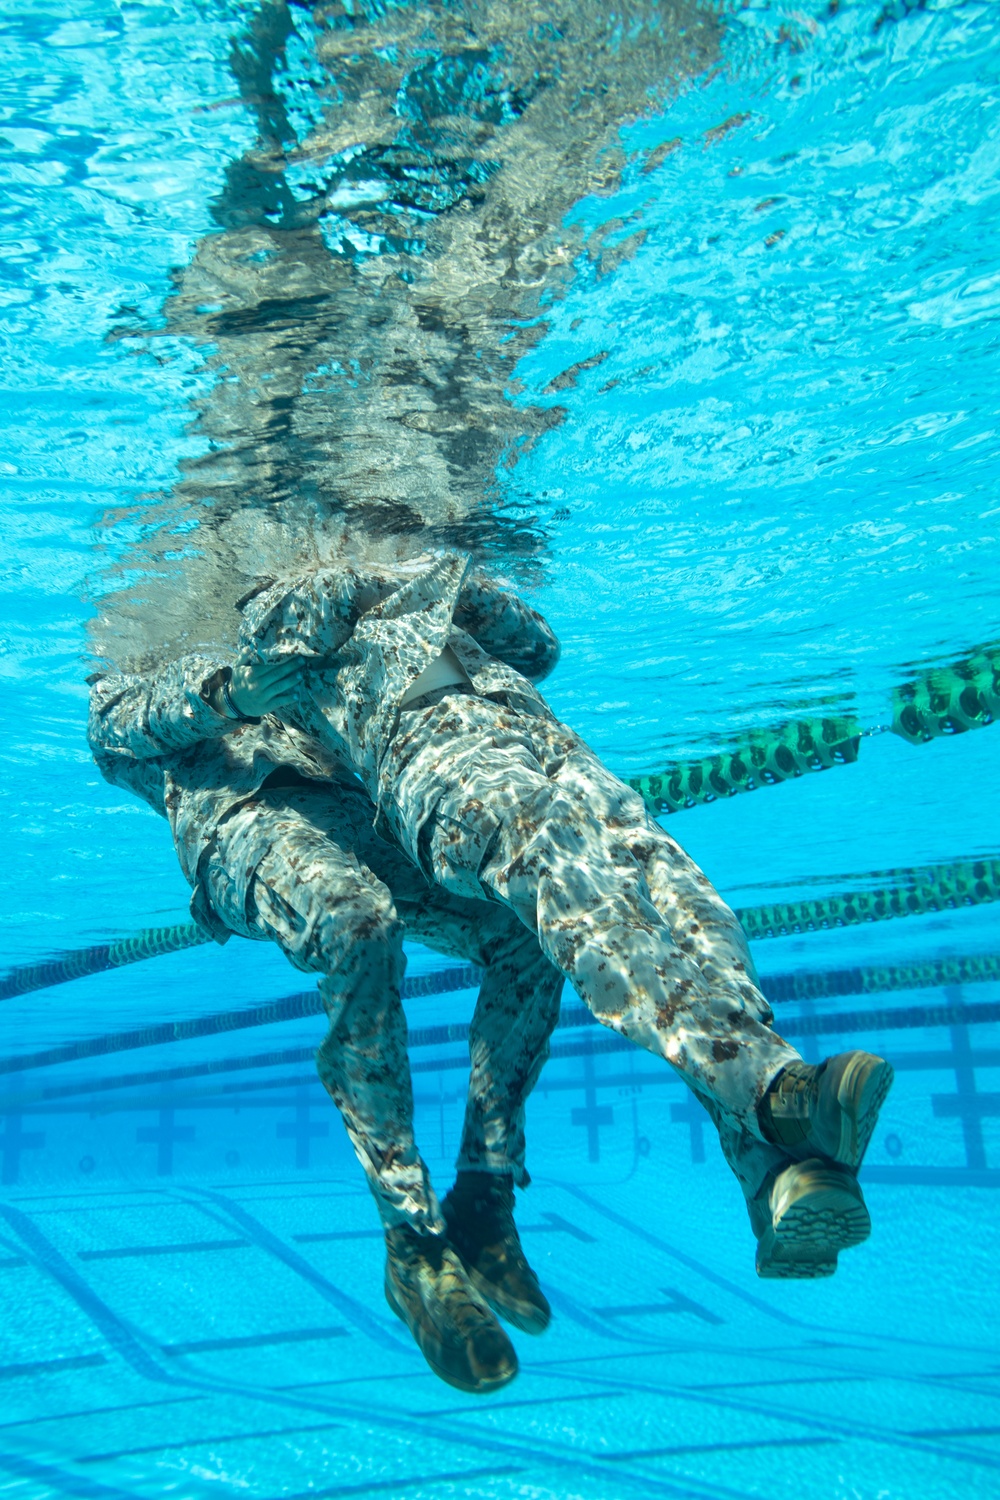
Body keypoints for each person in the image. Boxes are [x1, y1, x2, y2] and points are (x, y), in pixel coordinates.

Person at [238, 550, 895, 1286]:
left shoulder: (426, 594)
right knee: (582, 901)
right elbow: (288, 633)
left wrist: (457, 584)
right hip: (433, 756)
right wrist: (403, 568)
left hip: (537, 733)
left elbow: (538, 646)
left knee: (678, 894)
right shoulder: (283, 607)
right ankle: (775, 1093)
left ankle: (774, 1171)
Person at [87, 569, 568, 1395]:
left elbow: (510, 657)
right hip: (242, 822)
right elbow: (117, 726)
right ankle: (412, 1243)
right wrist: (231, 690)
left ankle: (485, 1195)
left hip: (356, 809)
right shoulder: (142, 644)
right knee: (356, 922)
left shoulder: (311, 608)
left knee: (527, 929)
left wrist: (429, 604)